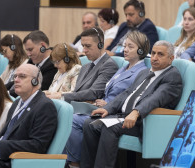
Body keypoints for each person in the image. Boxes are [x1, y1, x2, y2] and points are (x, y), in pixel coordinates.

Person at [81, 40, 183, 168]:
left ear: (171, 58)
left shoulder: (172, 76)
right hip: (123, 116)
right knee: (89, 123)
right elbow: (127, 93)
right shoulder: (145, 72)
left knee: (109, 127)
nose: (155, 58)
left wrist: (136, 112)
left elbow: (156, 99)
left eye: (160, 54)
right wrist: (107, 108)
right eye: (153, 53)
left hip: (144, 122)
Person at [64, 31, 149, 167]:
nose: (125, 50)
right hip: (103, 107)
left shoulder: (141, 71)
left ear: (140, 50)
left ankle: (76, 164)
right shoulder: (123, 68)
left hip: (115, 112)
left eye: (130, 47)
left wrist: (108, 104)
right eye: (125, 46)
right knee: (67, 115)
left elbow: (130, 96)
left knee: (74, 120)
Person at [47, 27, 118, 102]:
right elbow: (76, 92)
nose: (84, 50)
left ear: (100, 44)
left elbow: (94, 93)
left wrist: (61, 96)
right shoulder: (85, 67)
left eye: (88, 46)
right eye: (83, 46)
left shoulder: (109, 65)